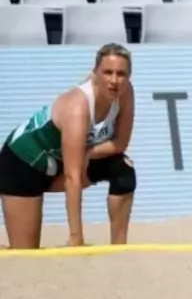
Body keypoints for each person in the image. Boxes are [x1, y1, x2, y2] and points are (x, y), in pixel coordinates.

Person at [0, 43, 137, 249]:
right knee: (25, 252)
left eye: (121, 74)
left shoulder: (125, 93)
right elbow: (73, 178)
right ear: (96, 73)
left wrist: (89, 153)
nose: (114, 81)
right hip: (23, 162)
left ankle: (119, 248)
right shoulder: (78, 107)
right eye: (107, 72)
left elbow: (119, 144)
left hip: (59, 161)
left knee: (123, 169)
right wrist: (76, 237)